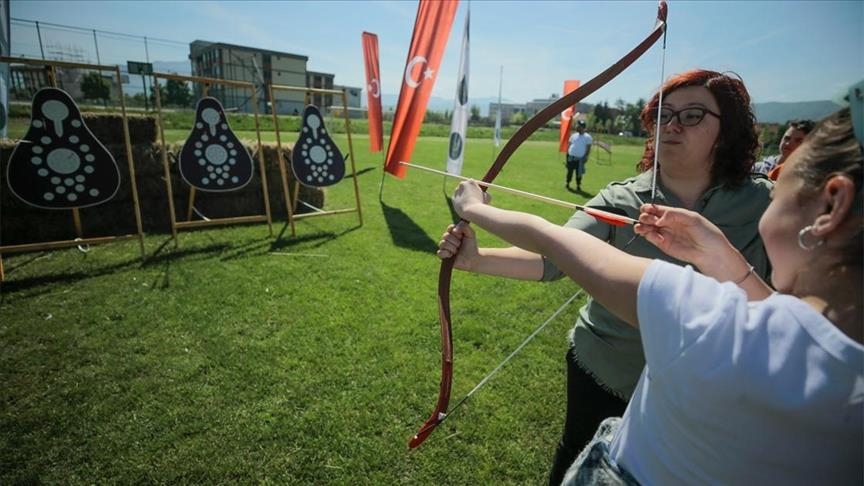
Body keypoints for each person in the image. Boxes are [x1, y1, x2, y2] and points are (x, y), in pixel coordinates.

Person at [442, 106, 863, 484]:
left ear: (832, 205)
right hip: (601, 371)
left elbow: (555, 242)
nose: (671, 125)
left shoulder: (708, 320)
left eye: (780, 188)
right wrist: (721, 255)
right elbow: (780, 321)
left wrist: (475, 209)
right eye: (663, 115)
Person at [566, 120, 592, 191]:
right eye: (577, 126)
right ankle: (567, 183)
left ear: (583, 128)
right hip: (571, 157)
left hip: (580, 158)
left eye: (578, 126)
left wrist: (586, 157)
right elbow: (569, 145)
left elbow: (588, 148)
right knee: (569, 171)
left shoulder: (588, 137)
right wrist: (567, 154)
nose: (577, 127)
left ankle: (578, 185)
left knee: (579, 173)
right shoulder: (573, 135)